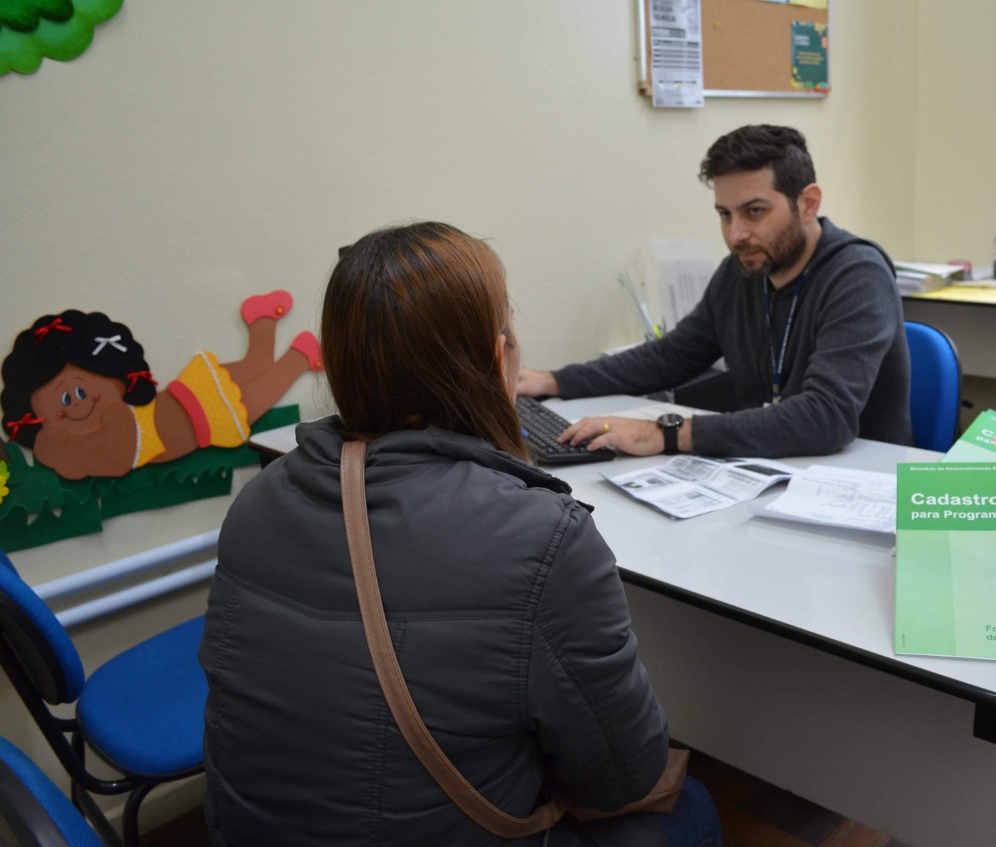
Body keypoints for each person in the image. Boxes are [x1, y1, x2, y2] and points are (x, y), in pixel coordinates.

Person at [199, 222, 722, 847]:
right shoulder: (543, 539)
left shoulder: (260, 498)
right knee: (690, 809)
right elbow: (622, 778)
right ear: (498, 357)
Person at [518, 125, 911, 459]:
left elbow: (826, 417)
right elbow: (670, 357)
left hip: (865, 480)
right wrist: (554, 381)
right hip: (774, 468)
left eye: (754, 211)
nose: (735, 235)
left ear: (807, 204)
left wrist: (667, 433)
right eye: (725, 214)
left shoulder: (858, 275)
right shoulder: (743, 271)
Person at [0, 298, 322, 480]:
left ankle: (291, 350)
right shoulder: (94, 451)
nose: (76, 404)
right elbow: (118, 459)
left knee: (254, 375)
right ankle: (284, 343)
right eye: (65, 400)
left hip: (188, 398)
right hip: (198, 417)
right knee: (255, 390)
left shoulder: (116, 419)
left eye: (79, 392)